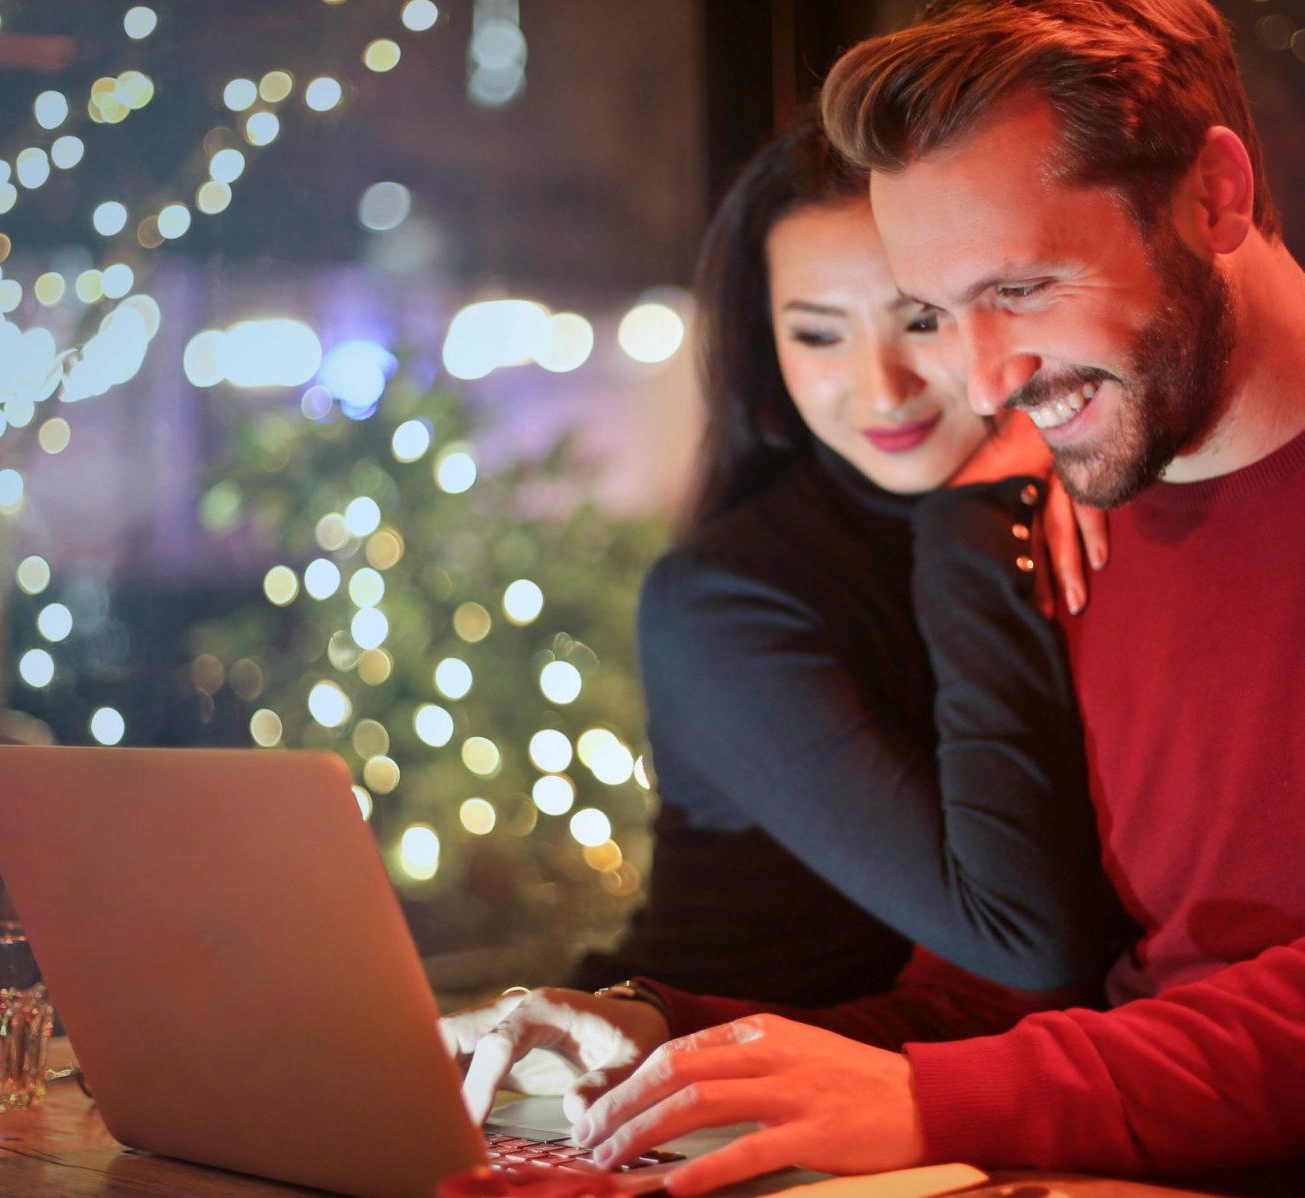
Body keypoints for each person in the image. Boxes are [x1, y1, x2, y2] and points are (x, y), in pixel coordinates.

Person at [448, 2, 1305, 1194]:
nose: (982, 378)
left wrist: (933, 1104)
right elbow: (1000, 1003)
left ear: (1214, 196)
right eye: (940, 312)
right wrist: (668, 1042)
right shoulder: (1071, 516)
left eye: (1019, 289)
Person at [444, 115, 1126, 1119]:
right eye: (816, 332)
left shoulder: (1074, 508)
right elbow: (1024, 936)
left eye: (917, 320)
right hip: (659, 1088)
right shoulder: (725, 599)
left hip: (883, 1094)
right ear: (766, 346)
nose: (878, 385)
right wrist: (976, 515)